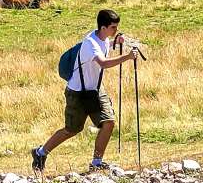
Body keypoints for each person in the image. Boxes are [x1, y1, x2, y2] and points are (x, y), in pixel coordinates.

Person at [31, 9, 138, 172]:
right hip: (78, 93)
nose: (115, 30)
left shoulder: (103, 38)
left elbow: (104, 48)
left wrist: (116, 40)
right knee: (71, 130)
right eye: (113, 28)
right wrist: (127, 57)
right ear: (103, 28)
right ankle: (40, 152)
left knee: (108, 122)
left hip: (95, 89)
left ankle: (96, 162)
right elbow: (103, 63)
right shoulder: (90, 43)